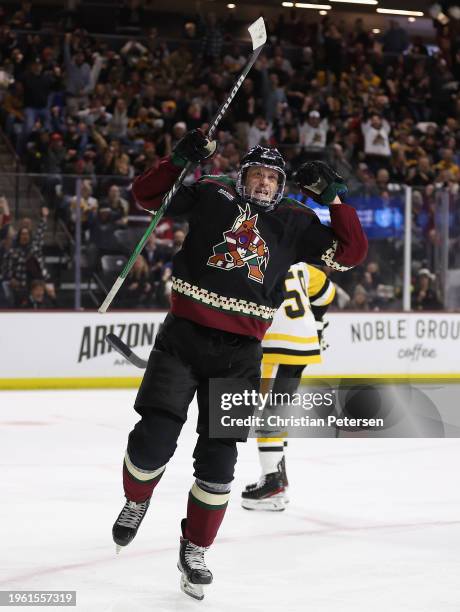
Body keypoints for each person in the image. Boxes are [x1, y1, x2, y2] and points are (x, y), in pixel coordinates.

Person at [111, 130, 367, 600]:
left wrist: (336, 200)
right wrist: (178, 159)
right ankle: (136, 500)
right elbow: (146, 197)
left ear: (282, 184)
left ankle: (195, 548)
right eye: (257, 174)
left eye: (273, 177)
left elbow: (351, 256)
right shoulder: (212, 194)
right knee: (152, 440)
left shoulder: (297, 220)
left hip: (240, 355)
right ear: (242, 175)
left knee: (219, 461)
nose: (264, 183)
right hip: (182, 340)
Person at [241, 264, 335, 511]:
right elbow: (326, 291)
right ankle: (277, 477)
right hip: (303, 344)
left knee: (267, 414)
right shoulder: (300, 264)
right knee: (275, 412)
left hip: (277, 343)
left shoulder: (258, 259)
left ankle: (273, 484)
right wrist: (316, 325)